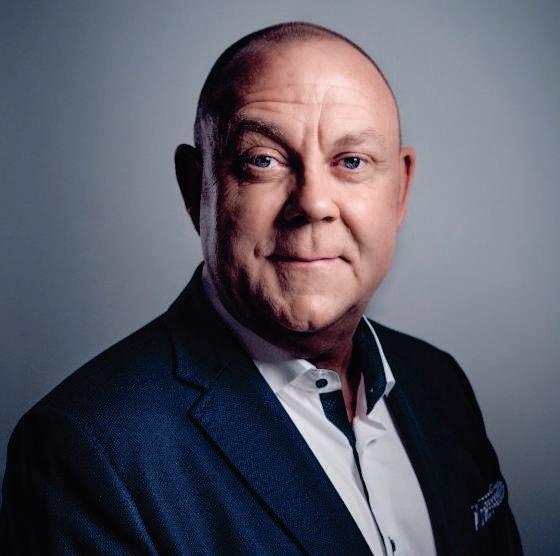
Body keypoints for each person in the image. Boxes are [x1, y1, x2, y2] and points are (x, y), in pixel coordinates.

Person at [1, 22, 523, 555]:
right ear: (195, 188)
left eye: (351, 162)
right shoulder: (88, 450)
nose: (313, 203)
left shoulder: (438, 382)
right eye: (263, 160)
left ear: (401, 190)